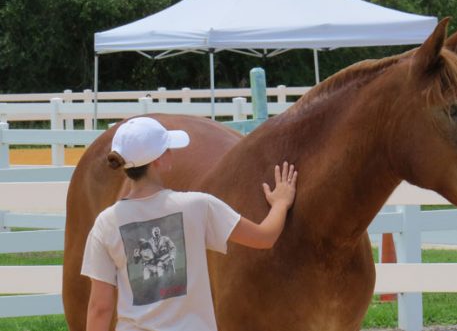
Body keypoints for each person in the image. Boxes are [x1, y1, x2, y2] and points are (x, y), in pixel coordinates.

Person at [81, 117, 297, 331]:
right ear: (159, 160)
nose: (171, 153)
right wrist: (281, 203)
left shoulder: (106, 223)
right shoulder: (199, 206)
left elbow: (100, 307)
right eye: (167, 149)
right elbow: (264, 238)